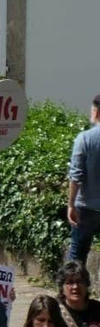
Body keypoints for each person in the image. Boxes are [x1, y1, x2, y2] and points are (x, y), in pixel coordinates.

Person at [69, 95, 100, 264]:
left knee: (77, 257)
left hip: (86, 207)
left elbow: (76, 176)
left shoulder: (85, 138)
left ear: (96, 112)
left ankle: (72, 288)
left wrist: (71, 204)